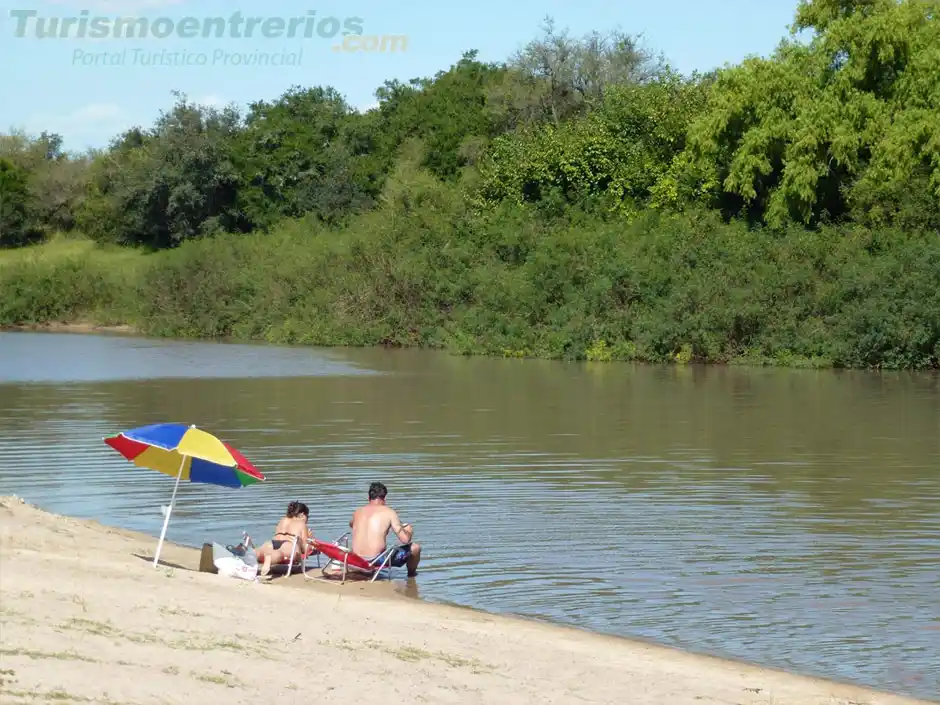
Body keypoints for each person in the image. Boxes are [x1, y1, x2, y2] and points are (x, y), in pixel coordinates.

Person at [350, 482, 421, 577]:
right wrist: (408, 531)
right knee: (415, 548)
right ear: (384, 498)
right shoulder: (389, 512)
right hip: (375, 560)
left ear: (369, 498)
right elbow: (405, 540)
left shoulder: (358, 511)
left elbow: (351, 524)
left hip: (356, 558)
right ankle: (412, 575)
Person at [254, 500, 311, 576]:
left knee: (260, 551)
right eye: (308, 516)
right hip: (288, 544)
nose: (308, 518)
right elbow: (306, 548)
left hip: (271, 542)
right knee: (280, 553)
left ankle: (252, 553)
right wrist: (310, 539)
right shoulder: (301, 523)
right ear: (302, 514)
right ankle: (270, 557)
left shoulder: (282, 520)